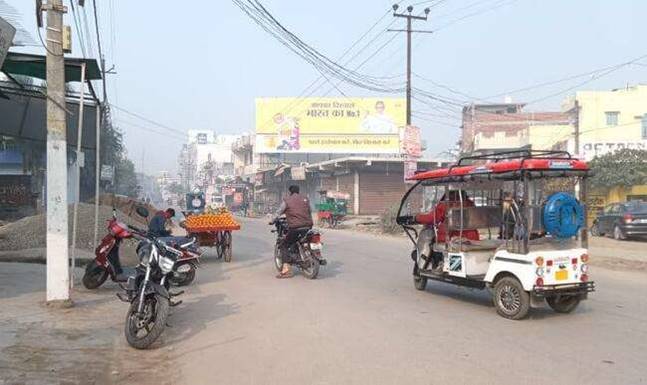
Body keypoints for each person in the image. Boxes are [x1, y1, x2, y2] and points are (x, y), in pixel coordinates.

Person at [273, 185, 313, 278]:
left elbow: (279, 212)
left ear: (290, 192)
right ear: (298, 191)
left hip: (295, 227)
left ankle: (287, 270)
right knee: (303, 240)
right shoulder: (305, 199)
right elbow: (310, 211)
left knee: (284, 244)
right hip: (308, 226)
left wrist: (272, 220)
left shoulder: (287, 200)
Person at [415, 191, 479, 244]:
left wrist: (417, 218)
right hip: (472, 238)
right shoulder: (470, 203)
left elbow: (433, 218)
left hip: (453, 239)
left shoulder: (447, 203)